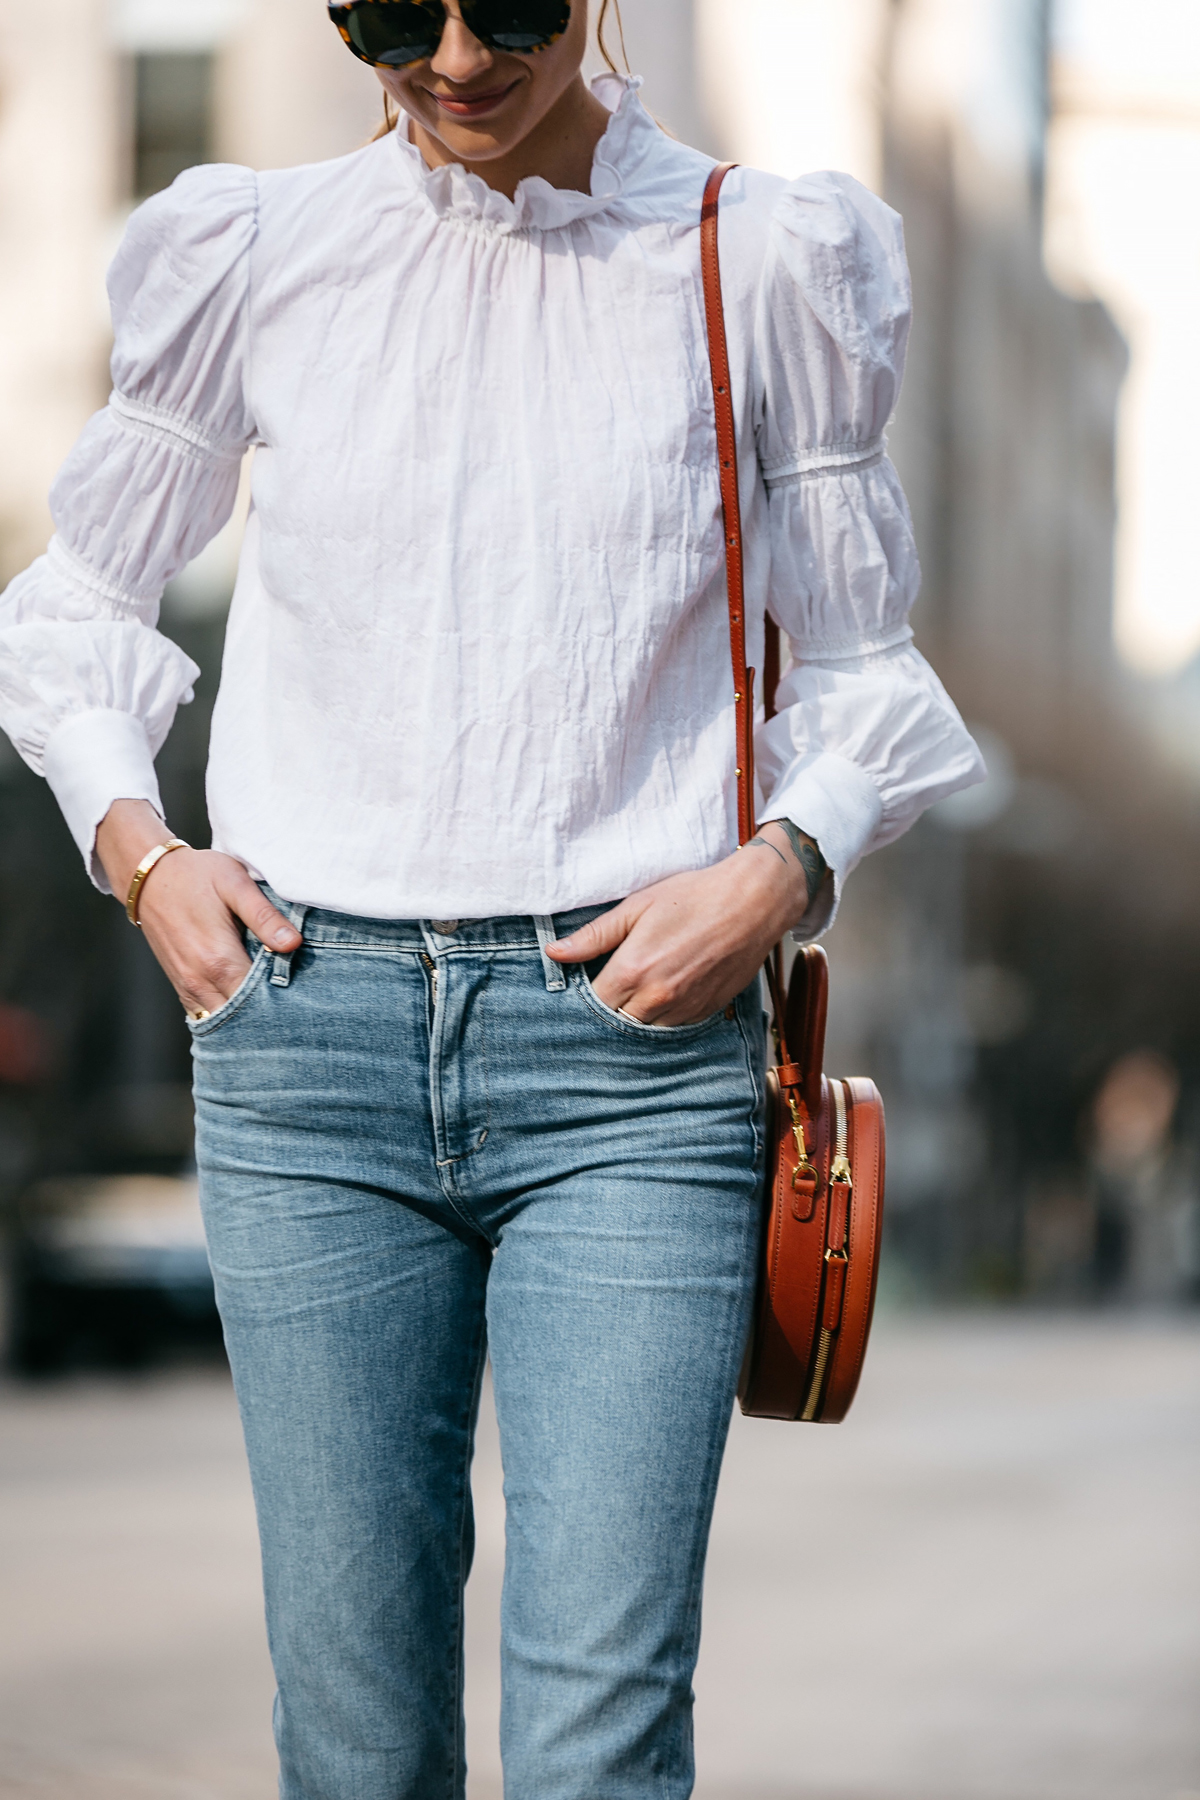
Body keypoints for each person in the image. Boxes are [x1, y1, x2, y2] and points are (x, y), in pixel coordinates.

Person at [0, 2, 984, 1794]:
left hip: (631, 1054)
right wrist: (141, 861)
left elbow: (871, 680)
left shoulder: (752, 256)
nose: (452, 55)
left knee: (601, 1734)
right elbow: (69, 611)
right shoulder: (258, 251)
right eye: (393, 8)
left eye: (507, 2)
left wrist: (774, 875)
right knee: (356, 1743)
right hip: (307, 1055)